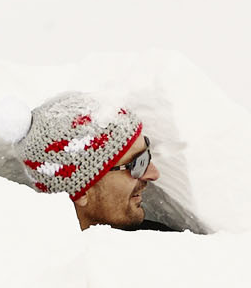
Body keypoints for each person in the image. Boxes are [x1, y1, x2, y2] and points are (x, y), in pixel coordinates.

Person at [10, 92, 165, 230]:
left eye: (147, 154)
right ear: (81, 192)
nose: (154, 173)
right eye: (138, 163)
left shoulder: (170, 248)